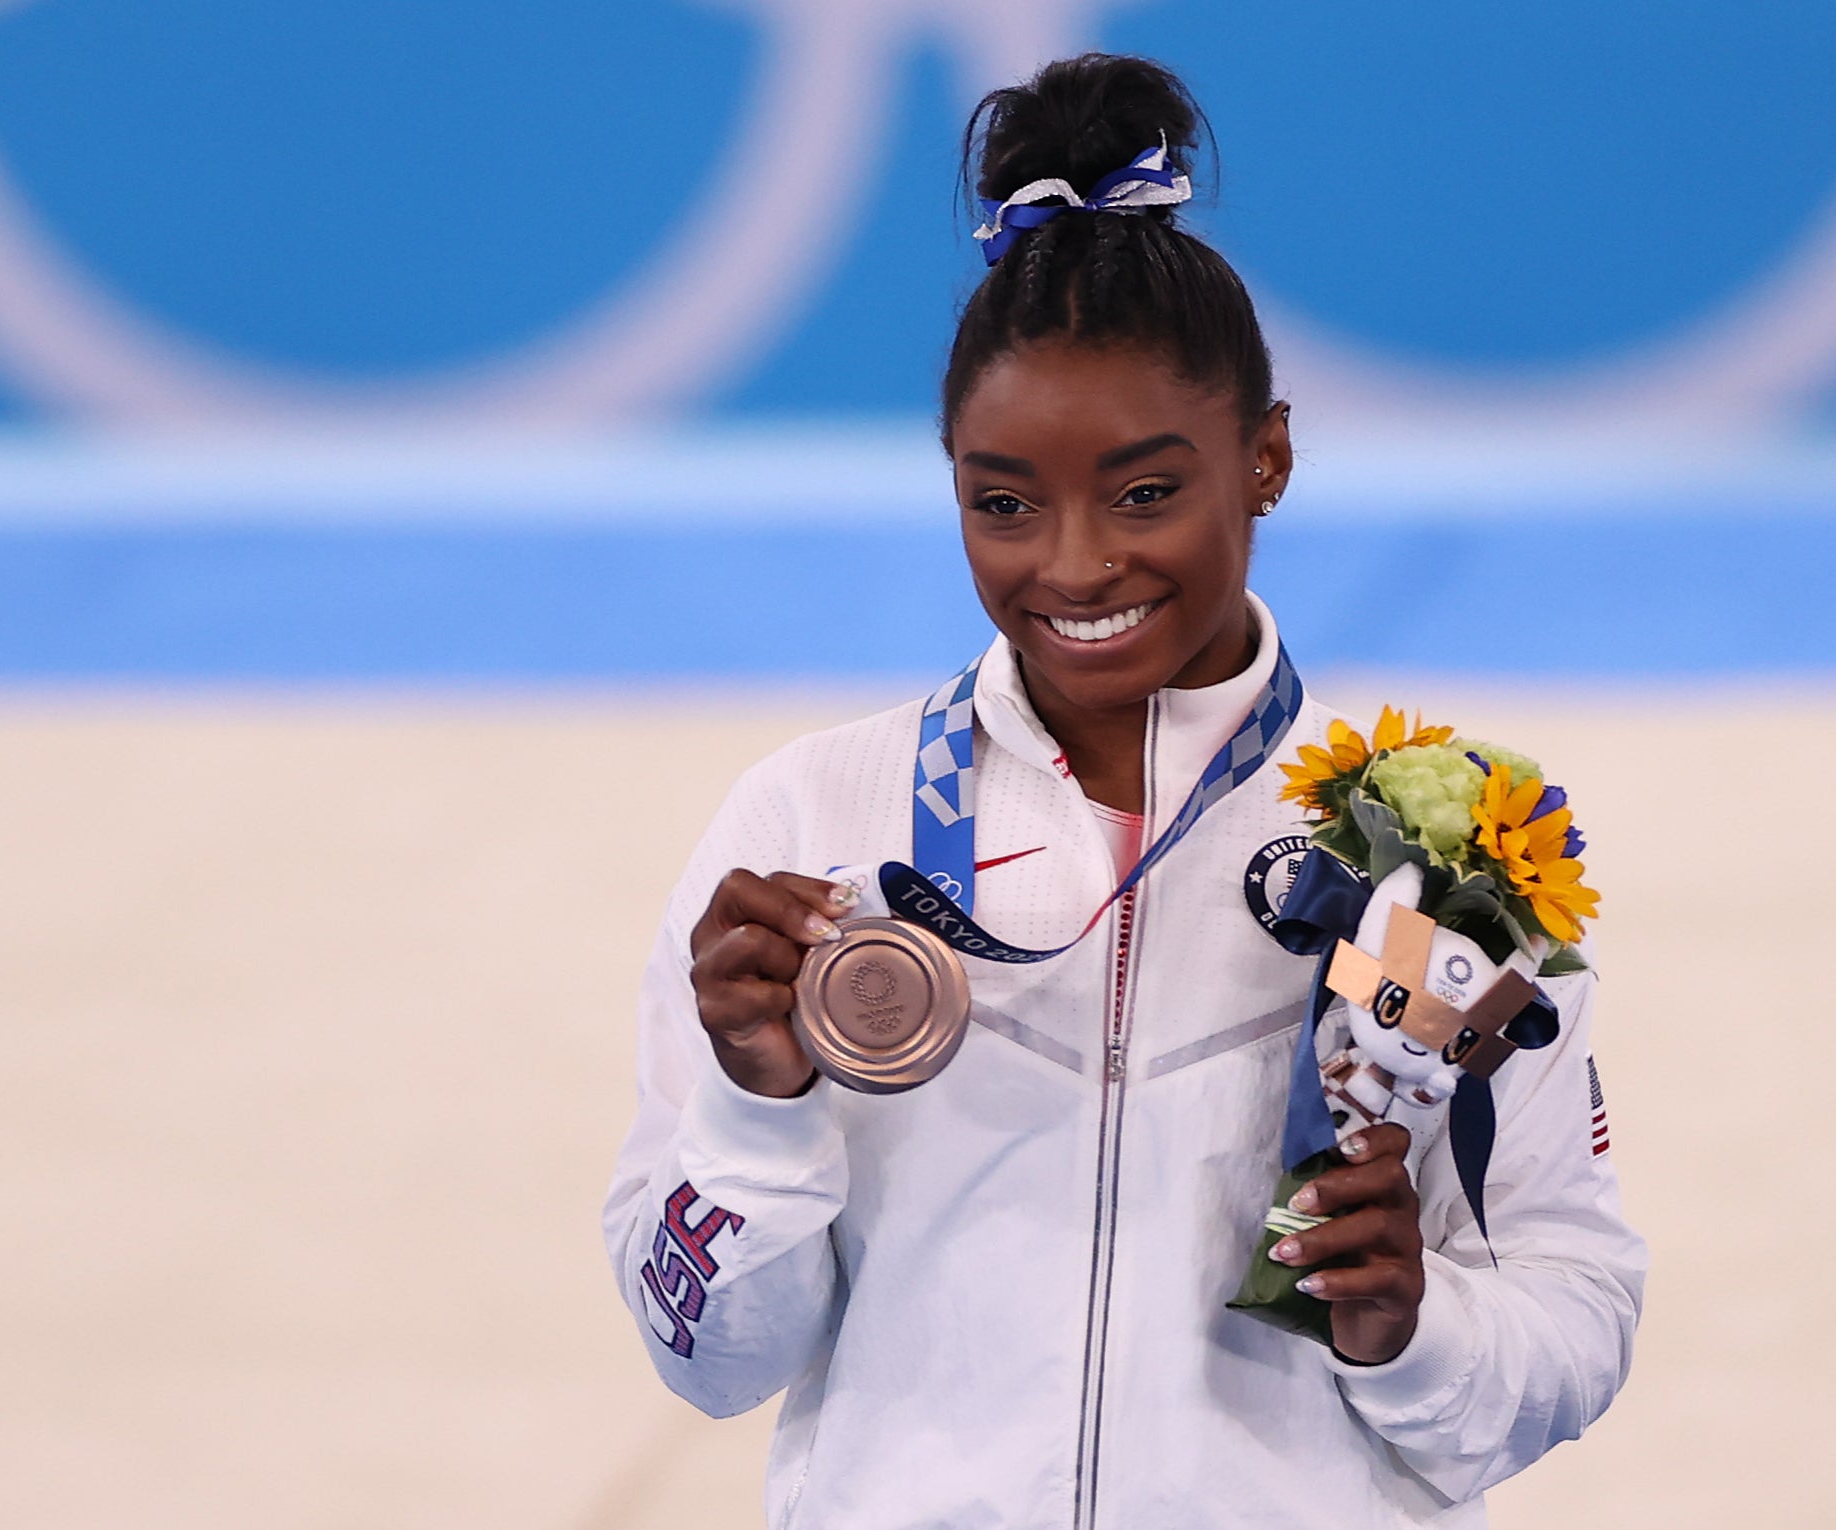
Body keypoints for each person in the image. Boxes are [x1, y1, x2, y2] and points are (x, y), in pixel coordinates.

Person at [602, 52, 1645, 1528]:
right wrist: (759, 1111)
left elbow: (1576, 1307)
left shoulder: (1441, 852)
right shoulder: (806, 821)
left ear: (1265, 456)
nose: (1074, 564)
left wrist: (1415, 1332)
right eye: (1003, 501)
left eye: (1147, 491)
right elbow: (699, 1355)